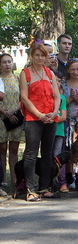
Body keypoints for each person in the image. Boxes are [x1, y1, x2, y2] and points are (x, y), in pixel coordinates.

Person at [19, 42, 61, 201]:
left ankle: (45, 187)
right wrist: (39, 114)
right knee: (31, 154)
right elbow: (24, 97)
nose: (40, 58)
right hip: (33, 118)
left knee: (47, 153)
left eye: (43, 55)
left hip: (51, 117)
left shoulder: (50, 73)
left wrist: (54, 112)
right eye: (37, 55)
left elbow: (56, 96)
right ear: (32, 56)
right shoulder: (25, 73)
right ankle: (30, 189)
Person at [0, 53, 24, 187]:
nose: (7, 64)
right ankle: (3, 178)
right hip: (2, 117)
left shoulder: (16, 78)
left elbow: (22, 99)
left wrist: (13, 111)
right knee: (2, 148)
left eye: (9, 61)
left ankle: (15, 177)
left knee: (14, 149)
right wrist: (5, 112)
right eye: (4, 62)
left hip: (15, 117)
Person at [53, 87, 68, 193]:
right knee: (48, 156)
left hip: (59, 132)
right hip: (46, 132)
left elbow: (63, 117)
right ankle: (49, 182)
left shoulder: (62, 98)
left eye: (58, 81)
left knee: (57, 158)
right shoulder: (47, 97)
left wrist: (50, 118)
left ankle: (61, 182)